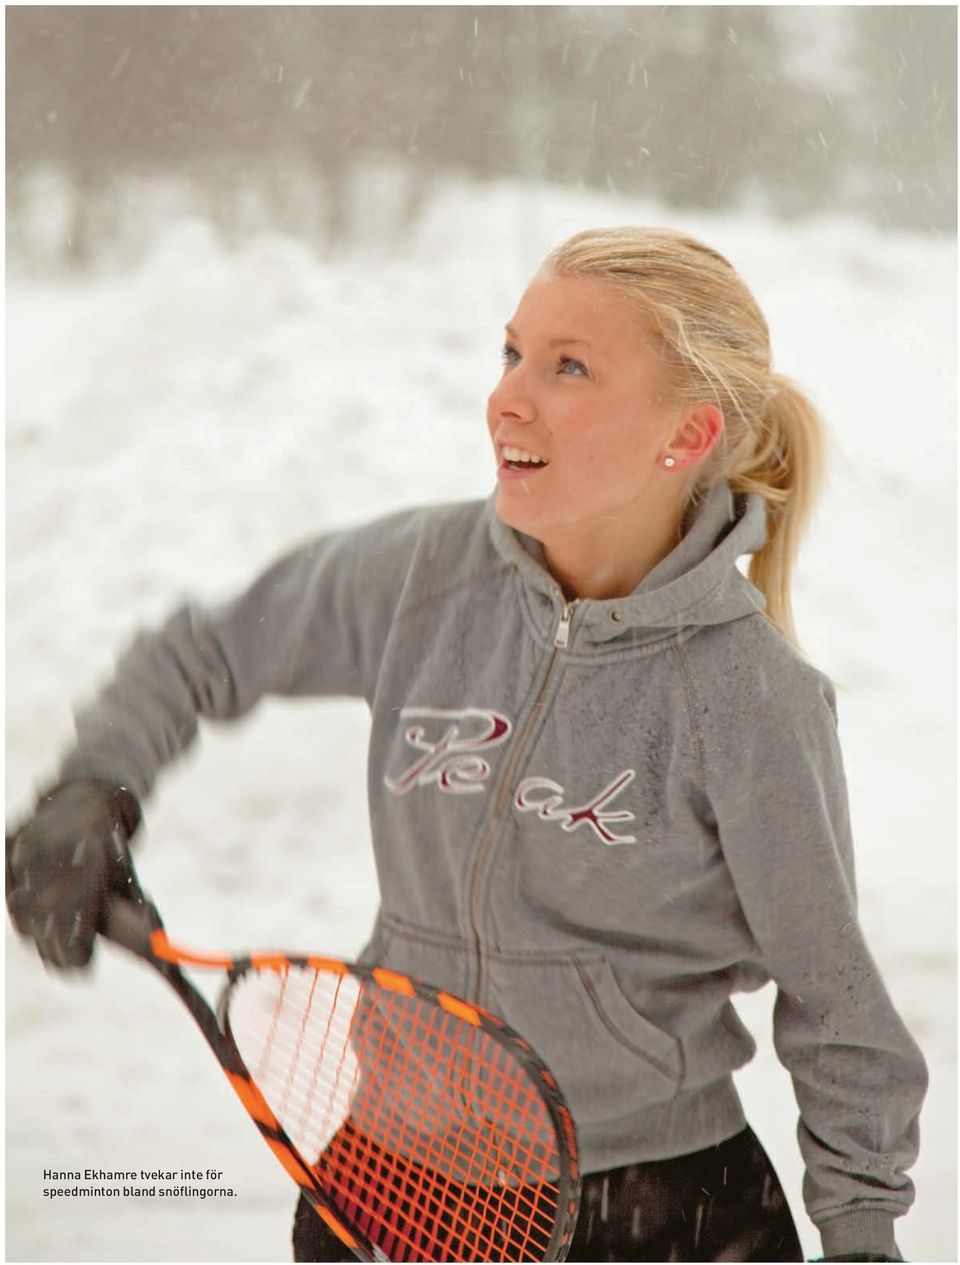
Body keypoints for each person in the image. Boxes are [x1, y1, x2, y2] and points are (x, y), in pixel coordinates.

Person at [7, 226, 927, 1264]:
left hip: (654, 1212)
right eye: (511, 353)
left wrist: (859, 1231)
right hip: (386, 1183)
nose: (509, 397)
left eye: (568, 366)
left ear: (686, 435)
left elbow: (836, 1000)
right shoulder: (425, 578)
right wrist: (94, 785)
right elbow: (201, 650)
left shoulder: (748, 696)